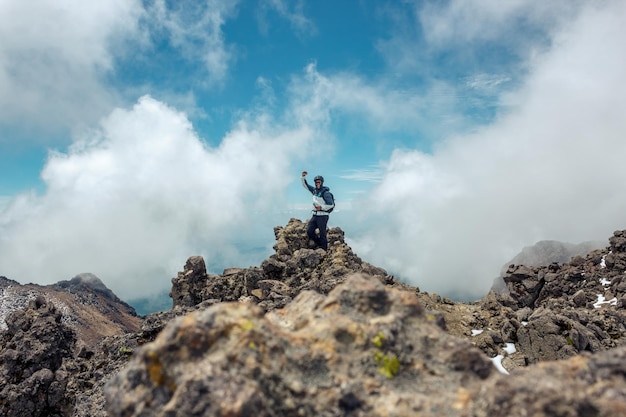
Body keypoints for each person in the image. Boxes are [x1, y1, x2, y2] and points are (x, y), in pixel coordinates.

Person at [301, 171, 334, 251]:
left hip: (323, 216)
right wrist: (303, 177)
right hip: (315, 215)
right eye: (316, 182)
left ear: (322, 182)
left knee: (322, 233)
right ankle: (319, 244)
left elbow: (331, 204)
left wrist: (321, 207)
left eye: (319, 182)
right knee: (309, 231)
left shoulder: (325, 193)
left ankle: (324, 250)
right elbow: (305, 185)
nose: (317, 183)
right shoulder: (315, 191)